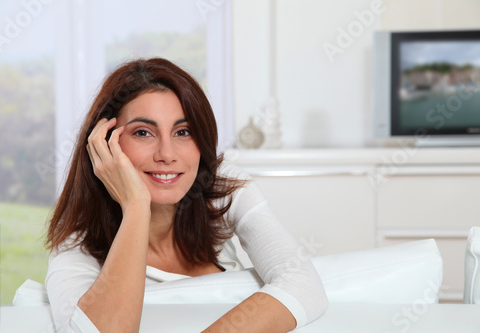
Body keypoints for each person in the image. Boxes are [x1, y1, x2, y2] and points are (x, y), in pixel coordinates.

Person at [45, 57, 328, 332]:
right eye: (143, 133)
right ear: (105, 144)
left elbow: (302, 283)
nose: (167, 154)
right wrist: (136, 206)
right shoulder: (76, 246)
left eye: (183, 132)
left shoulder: (219, 186)